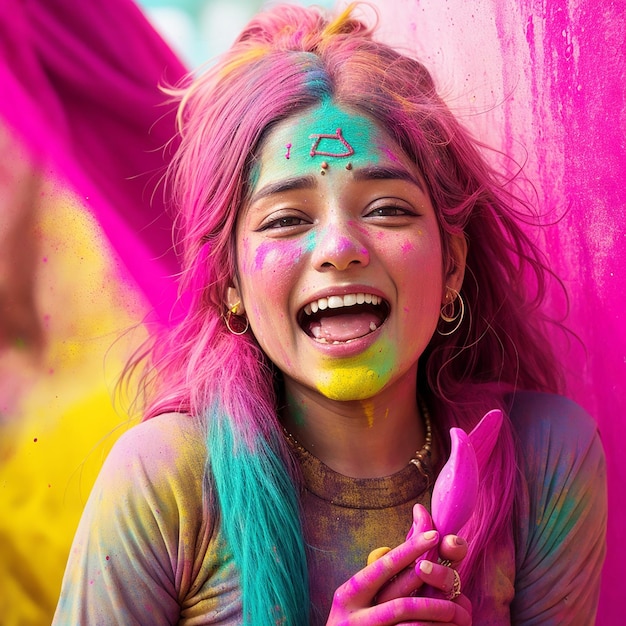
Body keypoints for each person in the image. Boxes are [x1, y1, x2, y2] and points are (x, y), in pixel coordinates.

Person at [53, 3, 607, 624]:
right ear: (230, 281)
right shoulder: (164, 483)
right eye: (287, 219)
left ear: (451, 265)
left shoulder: (544, 457)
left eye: (387, 209)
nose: (341, 248)